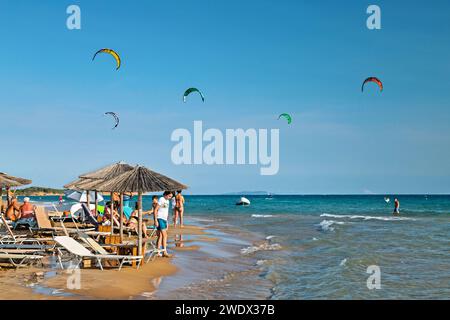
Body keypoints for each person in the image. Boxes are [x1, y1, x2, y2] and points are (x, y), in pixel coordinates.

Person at [154, 191, 173, 257]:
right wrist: (155, 220)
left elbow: (166, 211)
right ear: (165, 195)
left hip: (164, 220)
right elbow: (156, 210)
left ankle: (158, 252)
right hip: (160, 218)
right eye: (169, 196)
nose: (170, 198)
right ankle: (164, 251)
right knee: (165, 235)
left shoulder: (167, 201)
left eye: (171, 197)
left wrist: (167, 222)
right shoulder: (161, 199)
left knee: (160, 236)